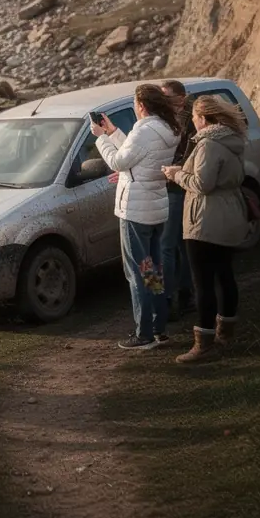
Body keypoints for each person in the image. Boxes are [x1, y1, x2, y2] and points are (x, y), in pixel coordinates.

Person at [92, 84, 181, 350]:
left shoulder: (143, 131)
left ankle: (143, 333)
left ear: (141, 105)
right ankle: (159, 328)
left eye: (134, 103)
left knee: (137, 273)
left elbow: (120, 162)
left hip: (135, 211)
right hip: (155, 207)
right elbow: (136, 155)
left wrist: (100, 138)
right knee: (151, 269)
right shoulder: (167, 129)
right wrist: (114, 132)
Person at [162, 95, 250, 364]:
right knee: (225, 275)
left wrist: (176, 175)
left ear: (203, 118)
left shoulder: (208, 144)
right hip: (229, 214)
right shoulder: (231, 140)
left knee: (204, 283)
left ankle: (205, 343)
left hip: (205, 219)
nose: (192, 123)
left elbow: (202, 183)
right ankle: (227, 333)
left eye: (194, 119)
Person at [161, 80, 196, 320]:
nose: (163, 102)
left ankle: (165, 300)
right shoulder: (167, 122)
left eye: (167, 97)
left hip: (173, 189)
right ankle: (183, 295)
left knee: (163, 249)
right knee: (179, 247)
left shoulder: (184, 122)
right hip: (170, 189)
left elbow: (184, 156)